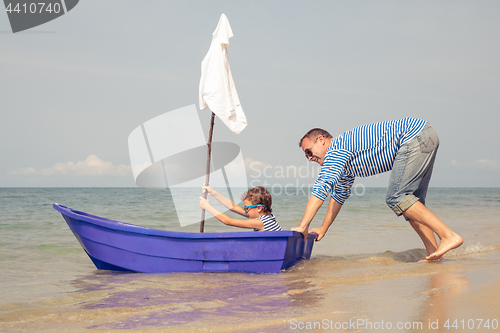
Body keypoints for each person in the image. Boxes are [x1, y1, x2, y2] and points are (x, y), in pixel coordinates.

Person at [291, 117, 463, 261]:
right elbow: (338, 196)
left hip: (413, 136)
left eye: (309, 151)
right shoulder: (344, 164)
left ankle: (448, 236)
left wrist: (303, 225)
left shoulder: (336, 149)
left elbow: (322, 186)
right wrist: (323, 228)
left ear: (321, 139)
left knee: (397, 197)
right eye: (307, 155)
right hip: (425, 134)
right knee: (410, 204)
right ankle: (433, 254)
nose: (309, 158)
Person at [200, 185, 282, 231]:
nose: (245, 210)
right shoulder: (267, 217)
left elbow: (228, 221)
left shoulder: (260, 222)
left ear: (259, 208)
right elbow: (233, 207)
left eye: (247, 208)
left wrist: (207, 207)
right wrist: (214, 193)